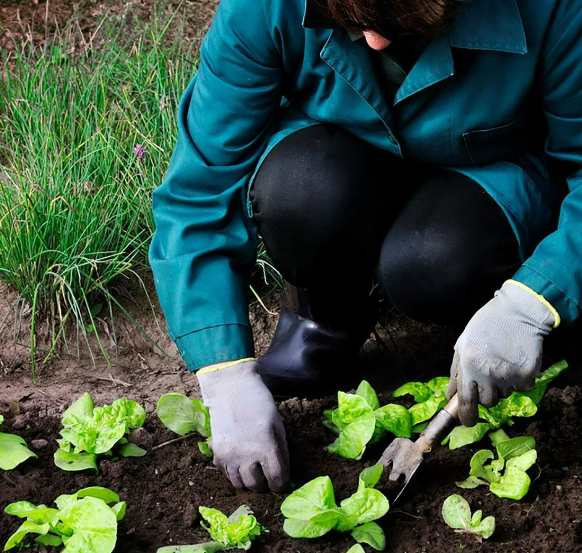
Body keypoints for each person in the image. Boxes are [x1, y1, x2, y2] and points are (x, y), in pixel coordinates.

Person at [149, 0, 581, 493]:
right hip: (344, 153)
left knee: (431, 263)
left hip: (491, 170)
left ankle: (509, 329)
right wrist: (221, 370)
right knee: (300, 193)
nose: (374, 42)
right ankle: (325, 320)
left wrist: (535, 299)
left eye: (400, 24)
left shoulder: (555, 8)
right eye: (357, 25)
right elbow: (201, 188)